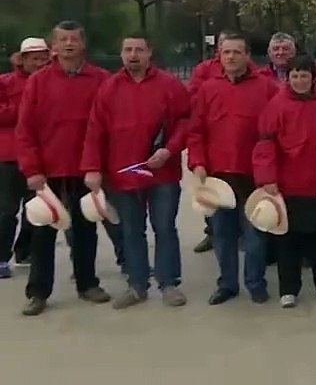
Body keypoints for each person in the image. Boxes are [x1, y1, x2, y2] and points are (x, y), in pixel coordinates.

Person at [82, 33, 191, 309]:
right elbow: (95, 131)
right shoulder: (108, 89)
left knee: (164, 228)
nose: (133, 55)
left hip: (162, 173)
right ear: (121, 54)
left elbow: (186, 121)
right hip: (122, 173)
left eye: (139, 50)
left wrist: (169, 150)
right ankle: (137, 285)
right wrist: (92, 168)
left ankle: (168, 284)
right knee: (131, 231)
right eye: (128, 50)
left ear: (149, 53)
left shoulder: (169, 85)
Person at [14, 21, 113, 316]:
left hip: (86, 169)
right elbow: (25, 130)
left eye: (74, 39)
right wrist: (32, 170)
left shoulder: (101, 80)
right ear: (53, 46)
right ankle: (38, 292)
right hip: (47, 170)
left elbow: (106, 127)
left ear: (83, 44)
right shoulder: (38, 82)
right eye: (62, 39)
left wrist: (97, 166)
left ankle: (87, 284)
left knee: (85, 230)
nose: (69, 44)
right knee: (42, 232)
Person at [188, 32, 279, 305]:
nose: (230, 57)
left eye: (237, 52)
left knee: (255, 235)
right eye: (226, 52)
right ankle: (227, 284)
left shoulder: (266, 88)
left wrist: (270, 172)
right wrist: (198, 162)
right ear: (219, 55)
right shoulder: (208, 89)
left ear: (247, 56)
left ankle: (255, 282)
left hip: (254, 176)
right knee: (222, 235)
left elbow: (276, 132)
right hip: (218, 176)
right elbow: (196, 131)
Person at [255, 56, 316, 307]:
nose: (299, 81)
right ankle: (289, 289)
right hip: (288, 184)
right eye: (294, 76)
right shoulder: (276, 106)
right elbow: (265, 144)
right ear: (287, 78)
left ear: (313, 77)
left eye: (304, 75)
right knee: (287, 240)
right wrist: (267, 177)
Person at [0, 37, 49, 278]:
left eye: (43, 58)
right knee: (7, 210)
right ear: (23, 60)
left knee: (36, 209)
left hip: (40, 155)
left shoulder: (49, 83)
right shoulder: (5, 82)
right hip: (9, 156)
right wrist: (23, 109)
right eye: (34, 59)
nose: (39, 63)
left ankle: (24, 250)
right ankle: (1, 257)